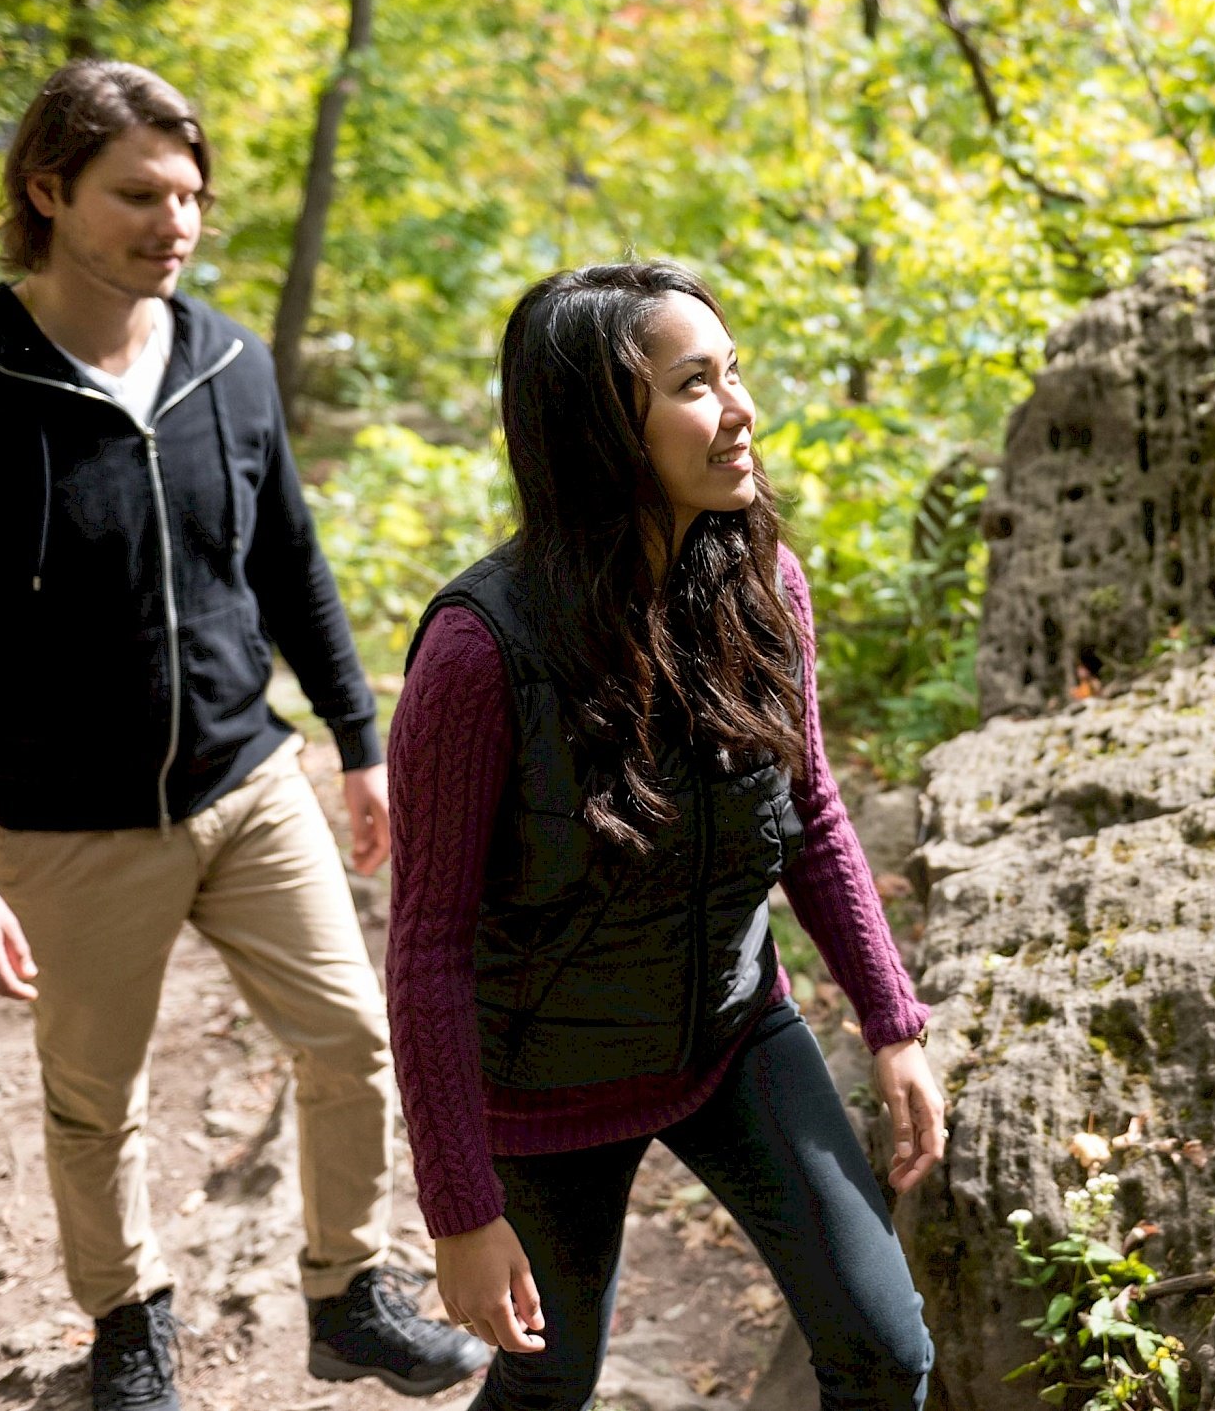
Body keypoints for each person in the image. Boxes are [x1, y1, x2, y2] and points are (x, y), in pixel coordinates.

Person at [0, 60, 490, 1410]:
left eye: (189, 195)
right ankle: (129, 1322)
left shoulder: (229, 363)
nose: (175, 222)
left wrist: (359, 740)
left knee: (354, 1039)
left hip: (249, 784)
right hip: (61, 826)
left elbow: (292, 565)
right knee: (96, 1097)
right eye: (138, 194)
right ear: (47, 191)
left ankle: (349, 1294)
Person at [386, 262, 946, 1411]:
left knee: (887, 1352)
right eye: (695, 385)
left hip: (734, 1036)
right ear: (598, 428)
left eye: (733, 372)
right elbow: (428, 948)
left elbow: (812, 814)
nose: (741, 410)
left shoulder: (763, 583)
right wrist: (460, 1212)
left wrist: (892, 1022)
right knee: (550, 1385)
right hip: (543, 1083)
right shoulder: (477, 652)